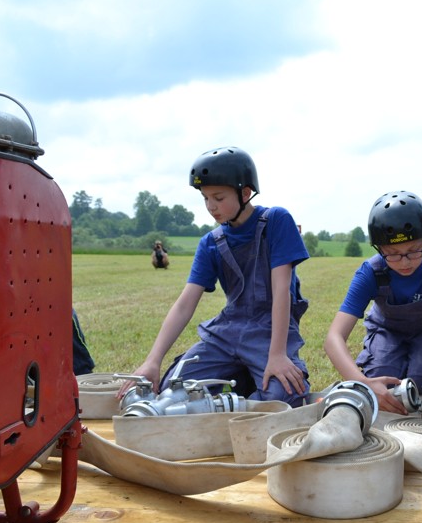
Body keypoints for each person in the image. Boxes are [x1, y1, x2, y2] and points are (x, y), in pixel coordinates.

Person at [118, 147, 310, 406]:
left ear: (245, 193)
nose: (211, 207)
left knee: (284, 397)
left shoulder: (277, 221)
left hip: (269, 332)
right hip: (226, 332)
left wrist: (277, 355)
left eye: (218, 198)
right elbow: (184, 305)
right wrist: (153, 360)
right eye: (205, 198)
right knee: (173, 392)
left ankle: (233, 400)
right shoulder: (210, 243)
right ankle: (234, 396)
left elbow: (281, 291)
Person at [324, 191, 422, 414]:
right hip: (386, 331)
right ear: (378, 249)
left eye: (413, 251)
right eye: (392, 253)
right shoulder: (369, 273)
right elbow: (334, 338)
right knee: (383, 380)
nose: (404, 262)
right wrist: (363, 384)